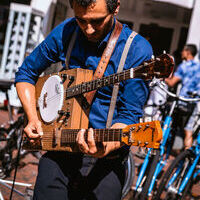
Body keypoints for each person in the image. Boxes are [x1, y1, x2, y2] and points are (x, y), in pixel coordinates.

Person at [15, 0, 153, 199]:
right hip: (60, 149)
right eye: (81, 20)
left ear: (116, 8)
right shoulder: (67, 31)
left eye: (97, 21)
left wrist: (106, 146)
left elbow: (130, 114)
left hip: (106, 161)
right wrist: (33, 118)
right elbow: (26, 73)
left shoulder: (137, 49)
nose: (88, 30)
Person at [165, 44, 200, 149]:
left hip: (181, 102)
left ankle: (162, 151)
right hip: (194, 102)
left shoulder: (184, 66)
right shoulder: (199, 66)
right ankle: (185, 157)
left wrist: (162, 78)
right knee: (188, 130)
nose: (181, 53)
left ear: (188, 52)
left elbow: (171, 83)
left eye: (183, 51)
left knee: (169, 124)